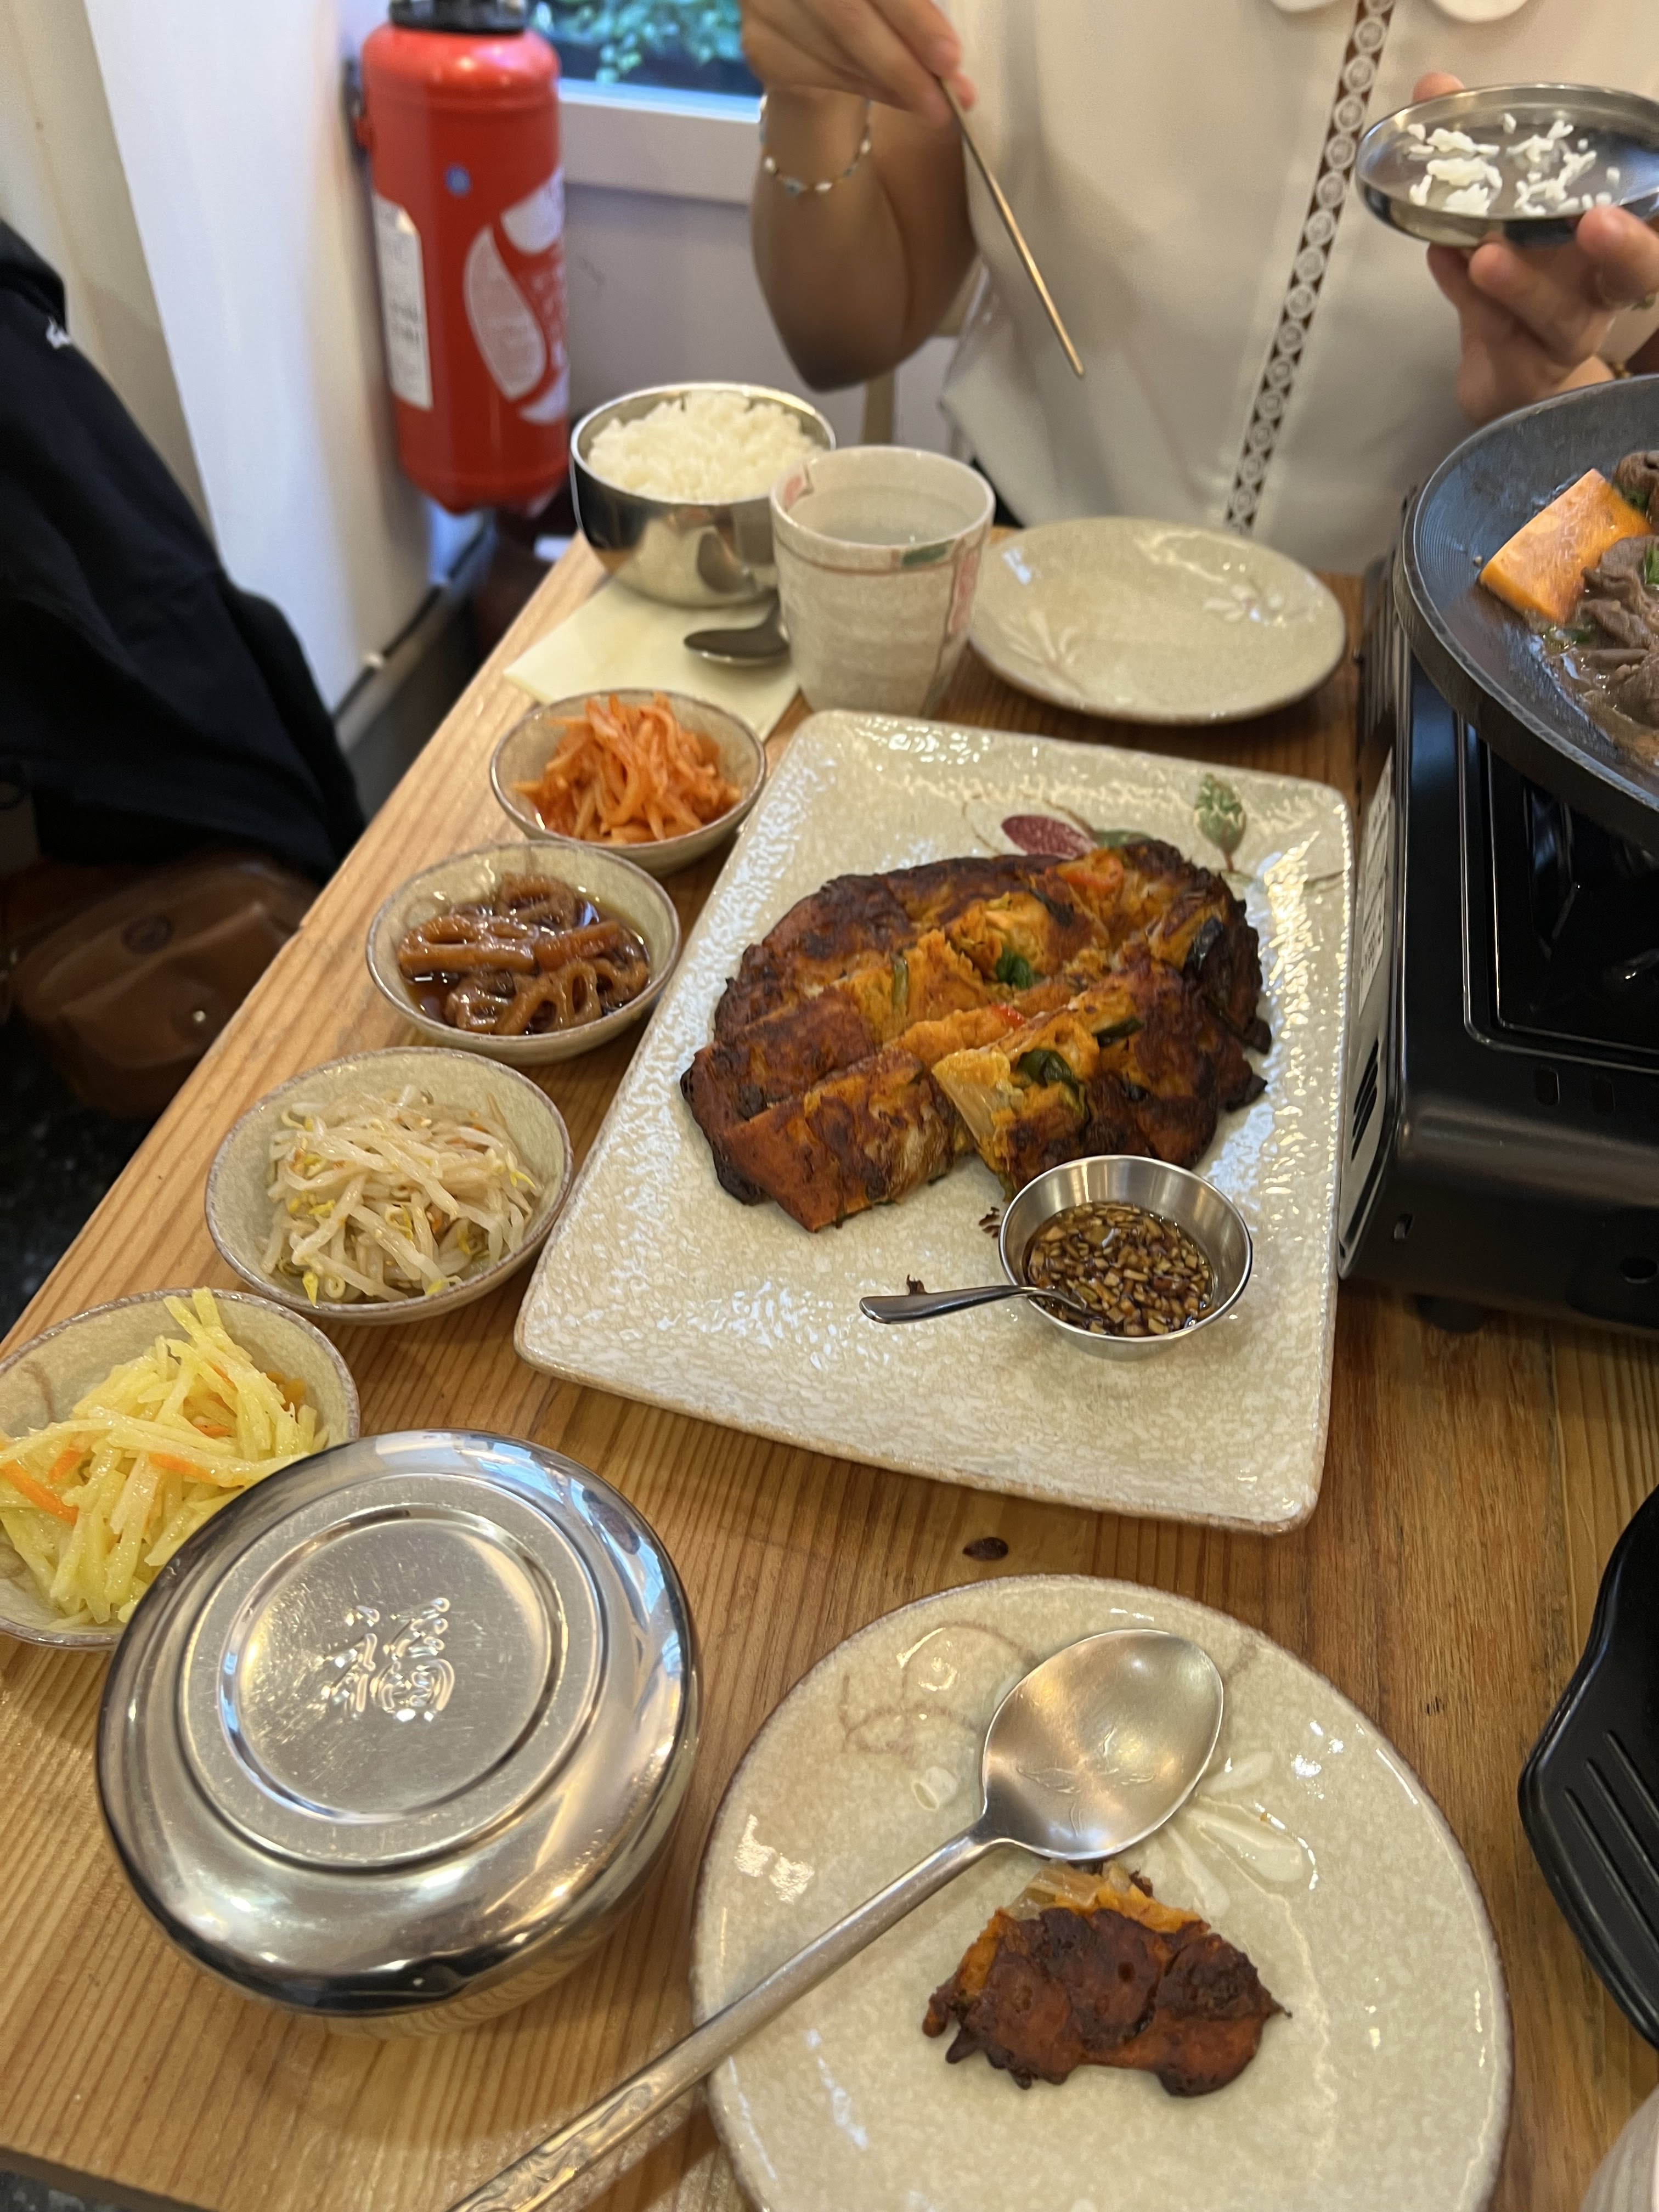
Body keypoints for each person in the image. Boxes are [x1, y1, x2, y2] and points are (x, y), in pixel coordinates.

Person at [743, 0, 1659, 568]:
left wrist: (1561, 411)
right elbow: (842, 337)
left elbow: (1635, 569)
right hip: (1022, 599)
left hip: (1434, 690)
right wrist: (813, 94)